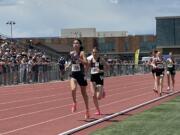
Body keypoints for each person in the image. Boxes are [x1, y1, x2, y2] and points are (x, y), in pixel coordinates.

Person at [65, 39, 89, 119]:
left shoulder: (82, 53)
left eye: (77, 43)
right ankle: (74, 103)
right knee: (73, 89)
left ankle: (87, 110)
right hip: (73, 74)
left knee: (84, 94)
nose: (75, 44)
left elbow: (86, 63)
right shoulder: (71, 53)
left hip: (81, 75)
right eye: (74, 43)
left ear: (80, 45)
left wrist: (79, 58)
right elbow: (71, 61)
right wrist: (67, 65)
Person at [87, 47, 109, 115]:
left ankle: (102, 91)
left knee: (98, 97)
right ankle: (98, 110)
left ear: (98, 53)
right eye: (93, 52)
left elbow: (107, 67)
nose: (94, 53)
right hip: (93, 77)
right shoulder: (90, 60)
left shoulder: (101, 59)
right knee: (93, 95)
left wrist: (101, 70)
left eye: (96, 52)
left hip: (100, 77)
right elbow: (87, 68)